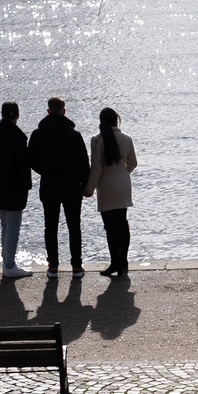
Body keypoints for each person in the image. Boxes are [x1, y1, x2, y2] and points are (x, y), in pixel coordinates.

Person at [28, 97, 90, 276]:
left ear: (48, 111)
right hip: (71, 184)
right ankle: (76, 266)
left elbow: (31, 159)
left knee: (50, 226)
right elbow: (84, 163)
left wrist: (45, 171)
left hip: (49, 184)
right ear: (64, 111)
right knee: (74, 226)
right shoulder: (74, 134)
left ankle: (53, 266)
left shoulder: (38, 134)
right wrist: (85, 184)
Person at [85, 107, 139, 277]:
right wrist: (123, 173)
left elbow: (96, 168)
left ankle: (114, 261)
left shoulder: (97, 140)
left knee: (110, 226)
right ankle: (124, 260)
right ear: (117, 120)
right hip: (123, 183)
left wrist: (89, 189)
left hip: (106, 185)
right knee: (122, 223)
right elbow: (133, 163)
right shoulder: (127, 138)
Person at [0, 101, 33, 279]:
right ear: (17, 116)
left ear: (2, 114)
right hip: (15, 188)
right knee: (13, 227)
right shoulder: (19, 139)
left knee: (5, 224)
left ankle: (7, 262)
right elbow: (23, 165)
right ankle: (9, 265)